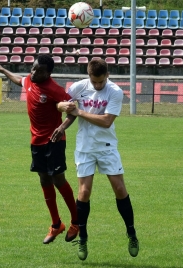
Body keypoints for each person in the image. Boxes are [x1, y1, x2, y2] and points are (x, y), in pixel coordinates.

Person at [54, 59, 139, 261]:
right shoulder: (78, 87)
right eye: (95, 82)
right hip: (85, 147)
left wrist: (79, 111)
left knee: (119, 189)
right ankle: (83, 238)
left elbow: (107, 121)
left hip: (107, 147)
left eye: (101, 82)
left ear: (107, 75)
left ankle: (132, 233)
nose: (98, 85)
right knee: (84, 192)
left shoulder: (115, 91)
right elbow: (61, 104)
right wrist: (62, 108)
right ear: (89, 75)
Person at [0, 55, 79, 244]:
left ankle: (76, 221)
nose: (33, 72)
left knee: (58, 179)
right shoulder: (31, 80)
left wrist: (62, 128)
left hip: (54, 140)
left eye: (38, 70)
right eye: (32, 68)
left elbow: (73, 110)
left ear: (48, 73)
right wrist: (2, 69)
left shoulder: (55, 89)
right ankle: (56, 225)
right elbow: (18, 79)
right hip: (36, 141)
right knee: (44, 178)